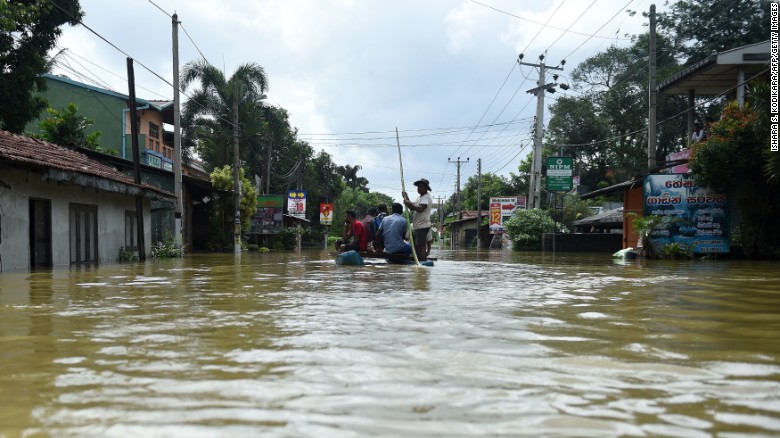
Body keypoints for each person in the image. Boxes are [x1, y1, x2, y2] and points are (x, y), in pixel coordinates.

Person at [402, 177, 433, 261]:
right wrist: (407, 198)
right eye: (418, 187)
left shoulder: (426, 197)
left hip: (422, 225)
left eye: (422, 187)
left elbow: (420, 209)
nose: (419, 188)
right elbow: (413, 208)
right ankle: (419, 260)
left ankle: (422, 262)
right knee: (417, 245)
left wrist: (408, 202)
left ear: (426, 188)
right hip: (418, 226)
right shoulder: (420, 197)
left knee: (421, 246)